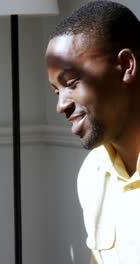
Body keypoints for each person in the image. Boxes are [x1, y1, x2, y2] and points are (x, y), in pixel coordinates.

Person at [45, 1, 140, 263]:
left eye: (71, 83)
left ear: (126, 65)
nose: (60, 105)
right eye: (56, 90)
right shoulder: (93, 174)